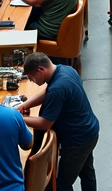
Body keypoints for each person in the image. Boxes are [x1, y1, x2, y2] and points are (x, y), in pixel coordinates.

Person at [20, 53, 100, 191]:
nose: (32, 80)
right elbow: (48, 92)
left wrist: (18, 118)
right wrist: (25, 105)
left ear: (40, 70)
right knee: (87, 173)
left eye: (31, 77)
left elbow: (45, 123)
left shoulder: (58, 88)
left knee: (62, 184)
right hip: (90, 131)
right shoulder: (66, 70)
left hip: (77, 141)